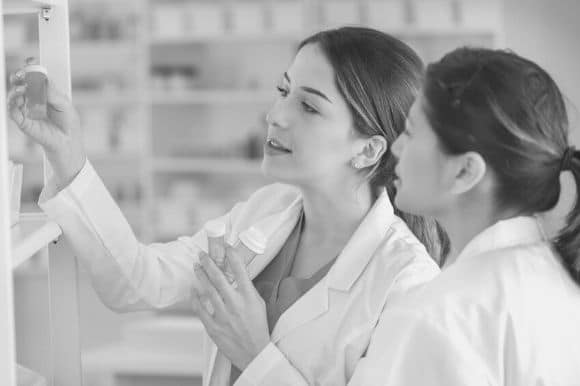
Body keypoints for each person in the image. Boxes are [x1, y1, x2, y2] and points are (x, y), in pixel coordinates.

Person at [8, 27, 445, 386]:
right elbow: (139, 281)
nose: (275, 115)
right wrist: (68, 156)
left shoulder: (407, 284)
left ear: (368, 150)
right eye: (283, 90)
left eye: (309, 106)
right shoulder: (267, 212)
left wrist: (254, 354)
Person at [348, 47, 580, 385]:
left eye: (411, 132)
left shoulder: (435, 318)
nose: (396, 147)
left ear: (465, 171)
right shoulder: (559, 284)